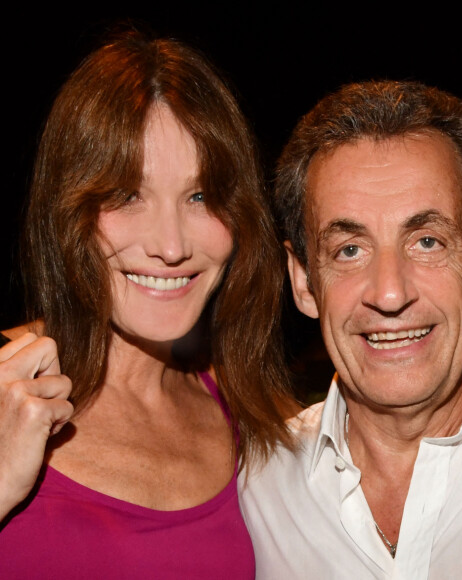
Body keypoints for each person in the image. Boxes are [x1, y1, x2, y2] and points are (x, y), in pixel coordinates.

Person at [240, 80, 462, 578]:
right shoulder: (252, 487)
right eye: (349, 250)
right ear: (303, 282)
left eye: (427, 241)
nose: (390, 293)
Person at [0, 27, 297, 577]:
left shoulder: (251, 412)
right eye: (126, 195)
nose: (171, 246)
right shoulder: (3, 395)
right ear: (67, 212)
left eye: (201, 196)